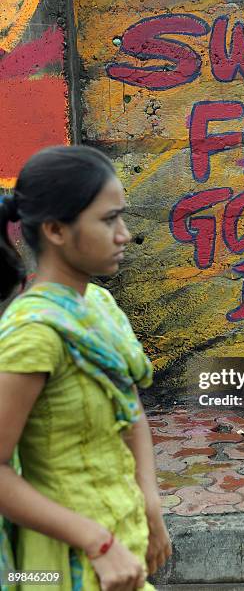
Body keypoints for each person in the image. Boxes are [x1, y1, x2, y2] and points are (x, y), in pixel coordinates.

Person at [0, 145, 172, 590]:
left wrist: (151, 506)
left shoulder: (98, 306)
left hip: (122, 539)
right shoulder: (34, 334)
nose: (124, 234)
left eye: (122, 217)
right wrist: (97, 542)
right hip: (63, 564)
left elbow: (130, 409)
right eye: (108, 219)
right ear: (56, 230)